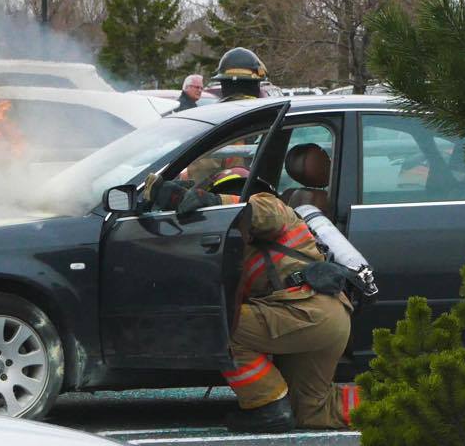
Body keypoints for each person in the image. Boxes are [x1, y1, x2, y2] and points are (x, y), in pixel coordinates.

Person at [144, 179, 360, 432]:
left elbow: (262, 213)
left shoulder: (271, 207)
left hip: (306, 312)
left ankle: (268, 405)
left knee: (214, 325)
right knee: (311, 409)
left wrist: (217, 203)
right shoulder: (242, 248)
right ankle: (397, 402)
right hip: (325, 317)